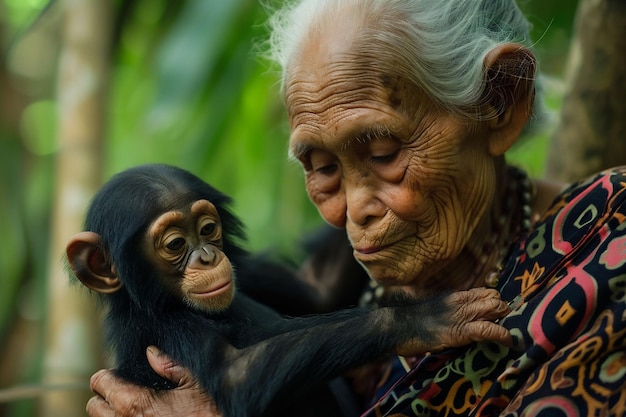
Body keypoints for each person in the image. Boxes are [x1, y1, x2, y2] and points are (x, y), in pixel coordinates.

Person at [85, 0, 626, 416]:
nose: (352, 210)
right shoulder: (339, 284)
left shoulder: (611, 240)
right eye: (321, 169)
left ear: (499, 101)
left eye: (384, 154)